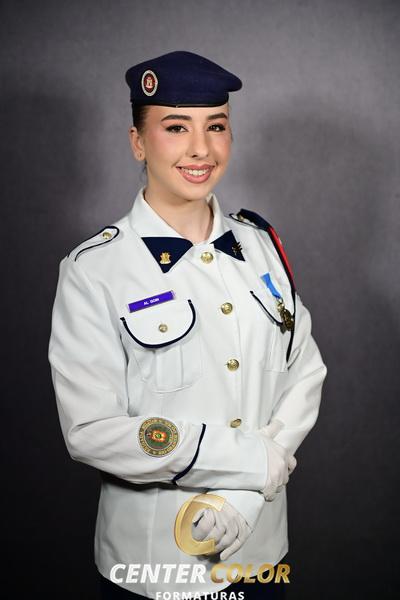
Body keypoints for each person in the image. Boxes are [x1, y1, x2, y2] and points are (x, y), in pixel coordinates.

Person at [48, 50, 327, 599]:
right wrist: (243, 461)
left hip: (259, 556)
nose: (201, 148)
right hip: (155, 565)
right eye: (176, 127)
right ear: (138, 142)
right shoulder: (95, 269)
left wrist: (241, 497)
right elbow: (90, 430)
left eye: (216, 126)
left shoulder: (259, 245)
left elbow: (305, 372)